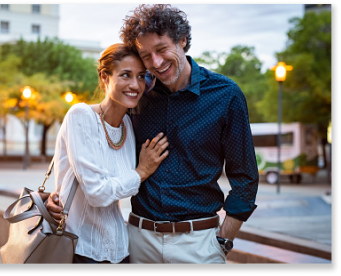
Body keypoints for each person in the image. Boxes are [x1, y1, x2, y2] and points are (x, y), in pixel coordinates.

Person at [48, 4, 259, 264]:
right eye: (146, 56)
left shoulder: (226, 95)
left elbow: (246, 178)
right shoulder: (138, 98)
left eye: (161, 49)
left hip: (198, 243)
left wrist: (223, 241)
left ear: (182, 40)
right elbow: (95, 154)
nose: (156, 63)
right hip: (137, 242)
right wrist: (57, 196)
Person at [52, 43, 169, 264]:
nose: (135, 85)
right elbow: (96, 193)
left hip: (120, 251)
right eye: (126, 75)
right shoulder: (81, 116)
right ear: (105, 77)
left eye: (140, 76)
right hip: (80, 250)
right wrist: (141, 172)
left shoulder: (128, 124)